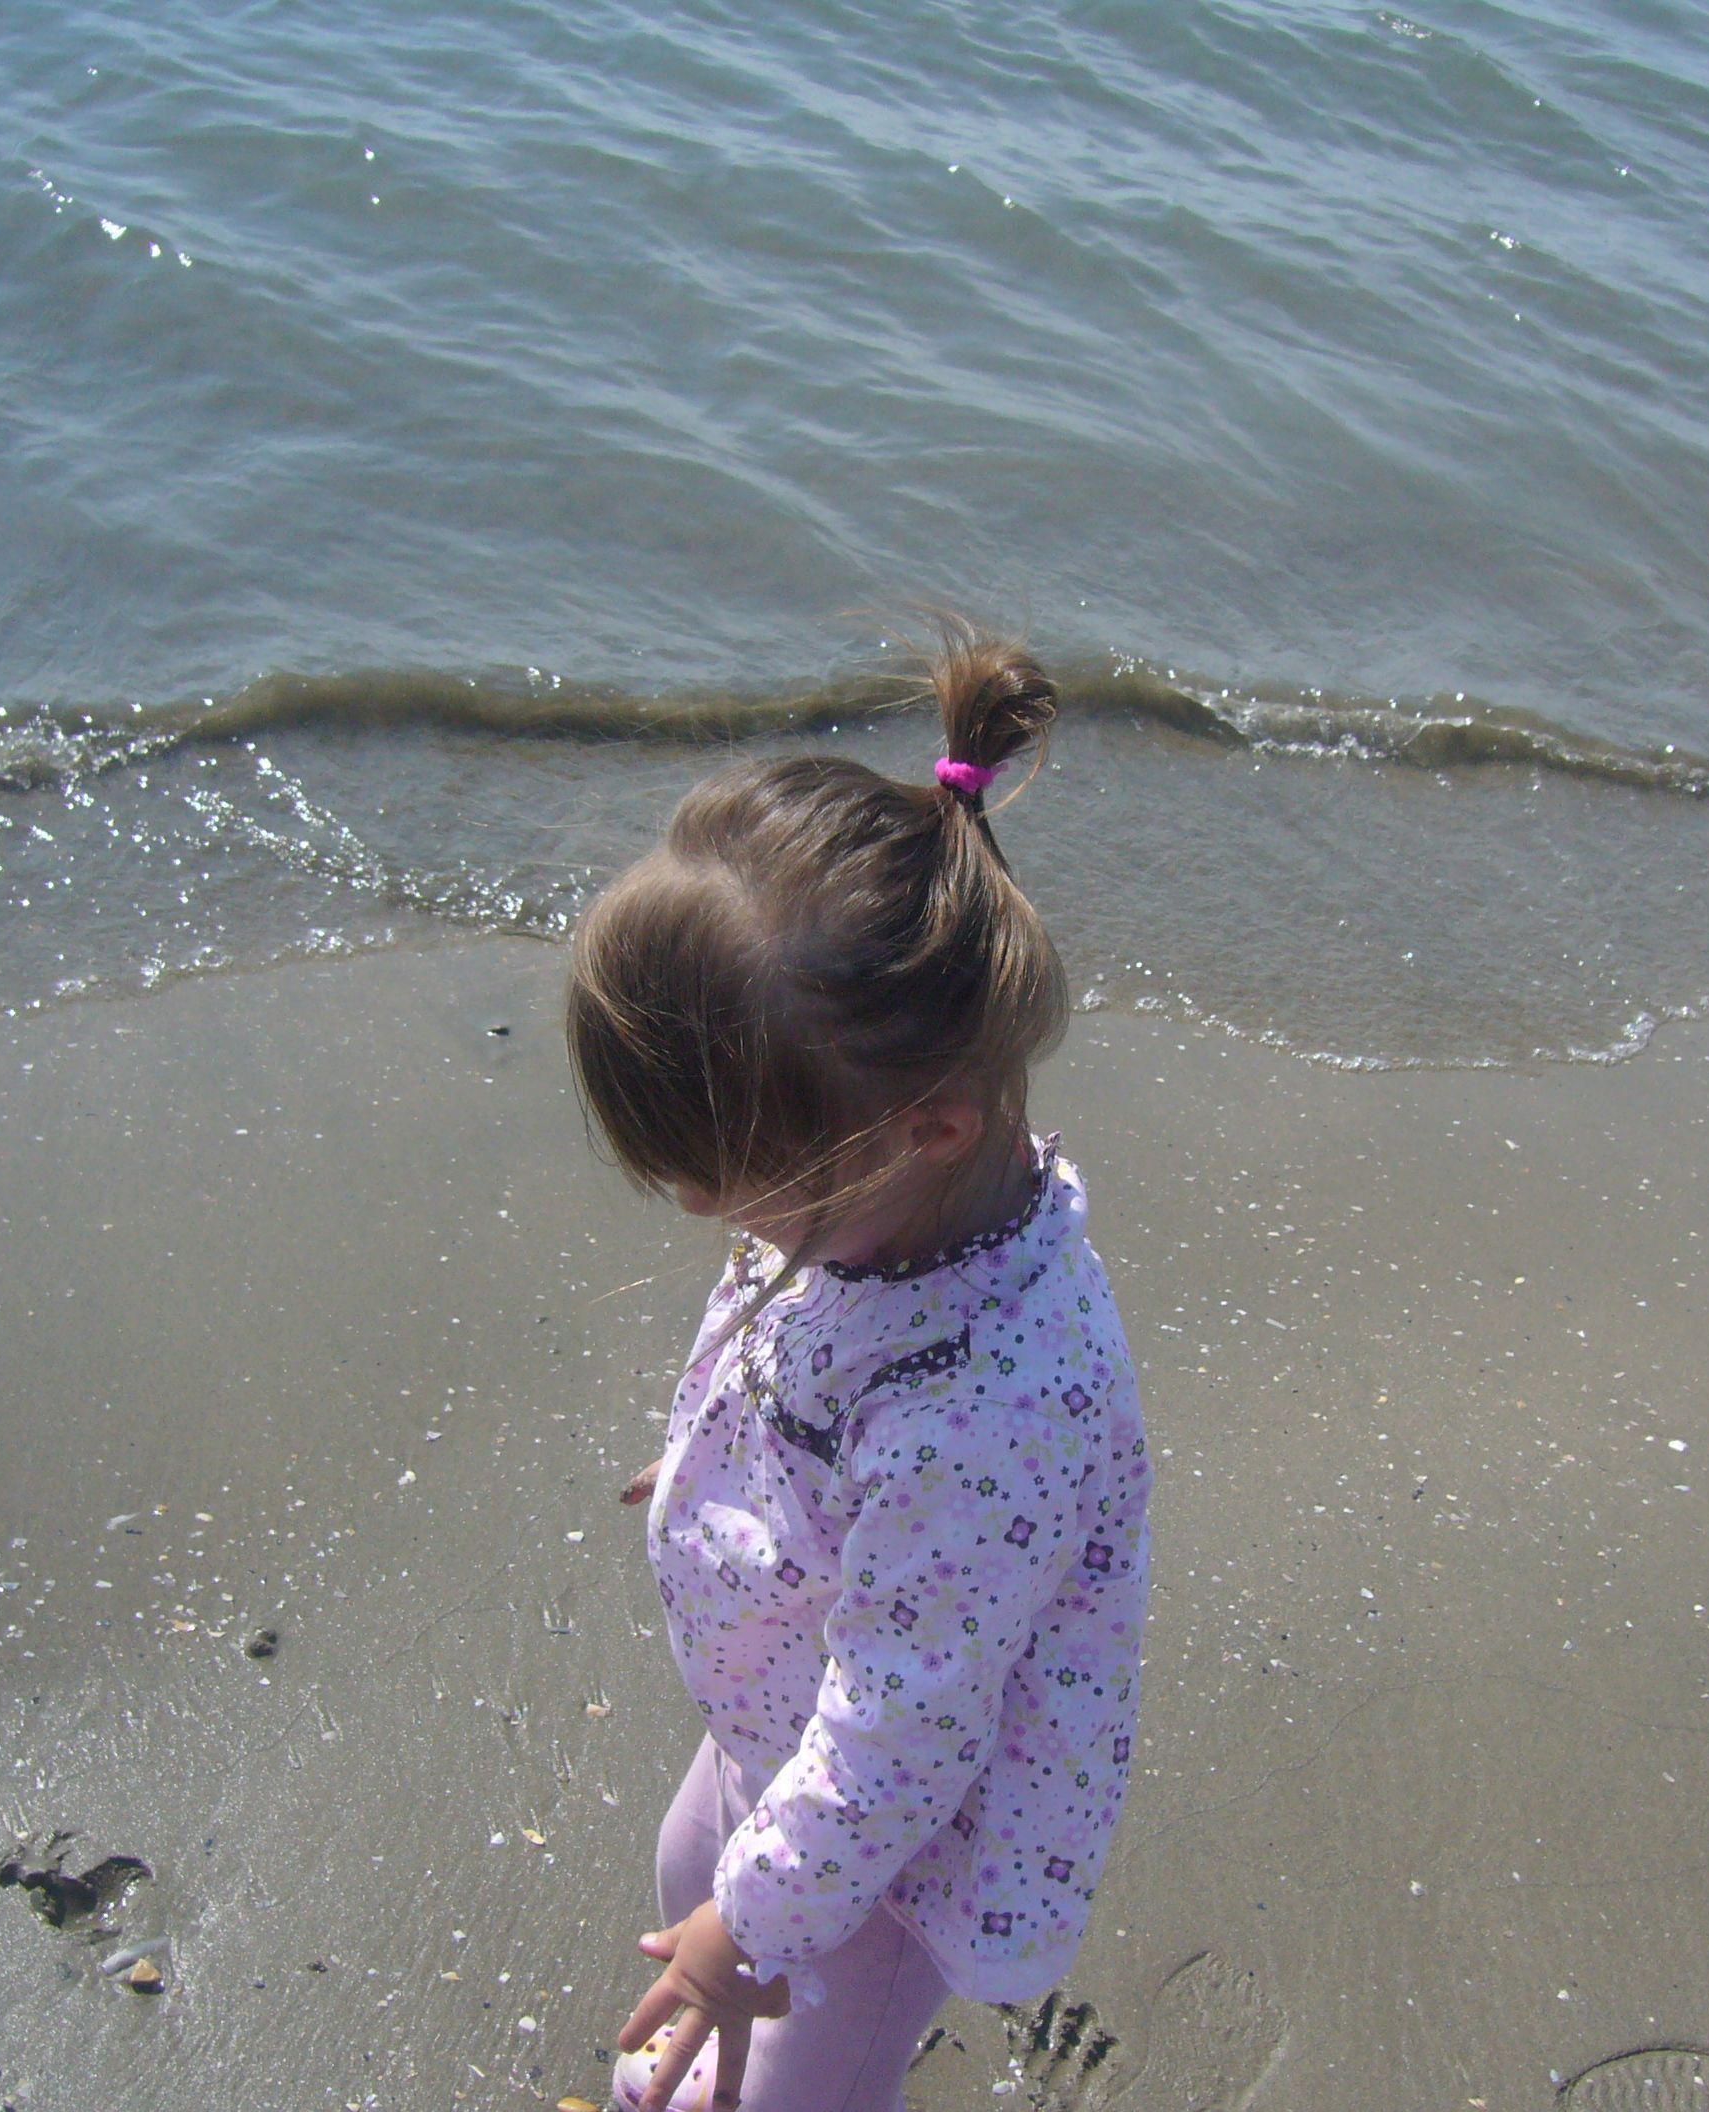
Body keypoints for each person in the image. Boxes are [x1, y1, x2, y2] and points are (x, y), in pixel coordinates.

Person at [564, 622, 1152, 2112]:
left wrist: (742, 1936)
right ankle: (719, 2003)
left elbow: (901, 1741)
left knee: (797, 2059)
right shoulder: (876, 1203)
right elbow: (775, 1310)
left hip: (902, 1848)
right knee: (689, 1876)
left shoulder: (985, 1418)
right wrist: (718, 1440)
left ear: (933, 1126)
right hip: (781, 1723)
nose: (720, 1230)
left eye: (736, 1194)